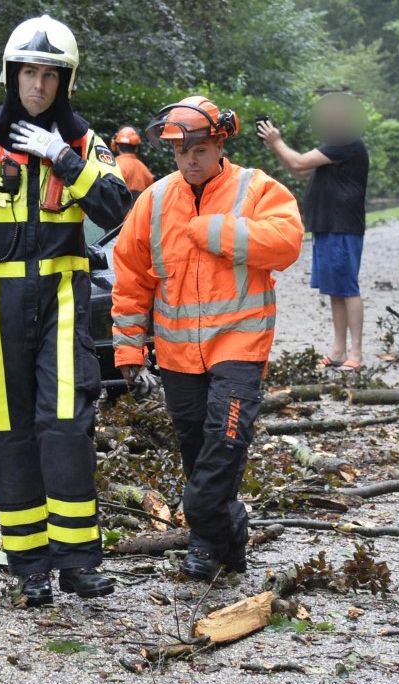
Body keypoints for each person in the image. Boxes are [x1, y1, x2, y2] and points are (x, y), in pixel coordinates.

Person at [0, 14, 132, 606]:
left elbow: (117, 209)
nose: (37, 86)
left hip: (63, 302)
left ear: (65, 82)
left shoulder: (83, 142)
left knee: (66, 427)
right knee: (8, 436)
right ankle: (30, 569)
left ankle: (80, 564)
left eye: (49, 75)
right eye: (28, 72)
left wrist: (63, 160)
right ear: (11, 74)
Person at [110, 96, 302, 580]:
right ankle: (226, 535)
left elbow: (287, 243)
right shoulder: (153, 201)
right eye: (180, 152)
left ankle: (201, 527)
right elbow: (131, 279)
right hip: (176, 353)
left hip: (239, 345)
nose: (189, 160)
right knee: (196, 448)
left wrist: (216, 232)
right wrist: (130, 348)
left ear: (219, 143)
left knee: (226, 441)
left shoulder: (256, 188)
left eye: (198, 149)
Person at [257, 93, 370, 371]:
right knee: (335, 290)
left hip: (342, 227)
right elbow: (299, 171)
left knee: (348, 288)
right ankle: (338, 351)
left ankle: (356, 355)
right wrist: (276, 146)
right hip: (329, 227)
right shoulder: (335, 146)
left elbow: (297, 163)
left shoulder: (347, 145)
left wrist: (276, 141)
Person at [110, 126, 155, 198]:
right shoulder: (146, 172)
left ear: (116, 146)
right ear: (136, 148)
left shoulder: (112, 166)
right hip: (140, 209)